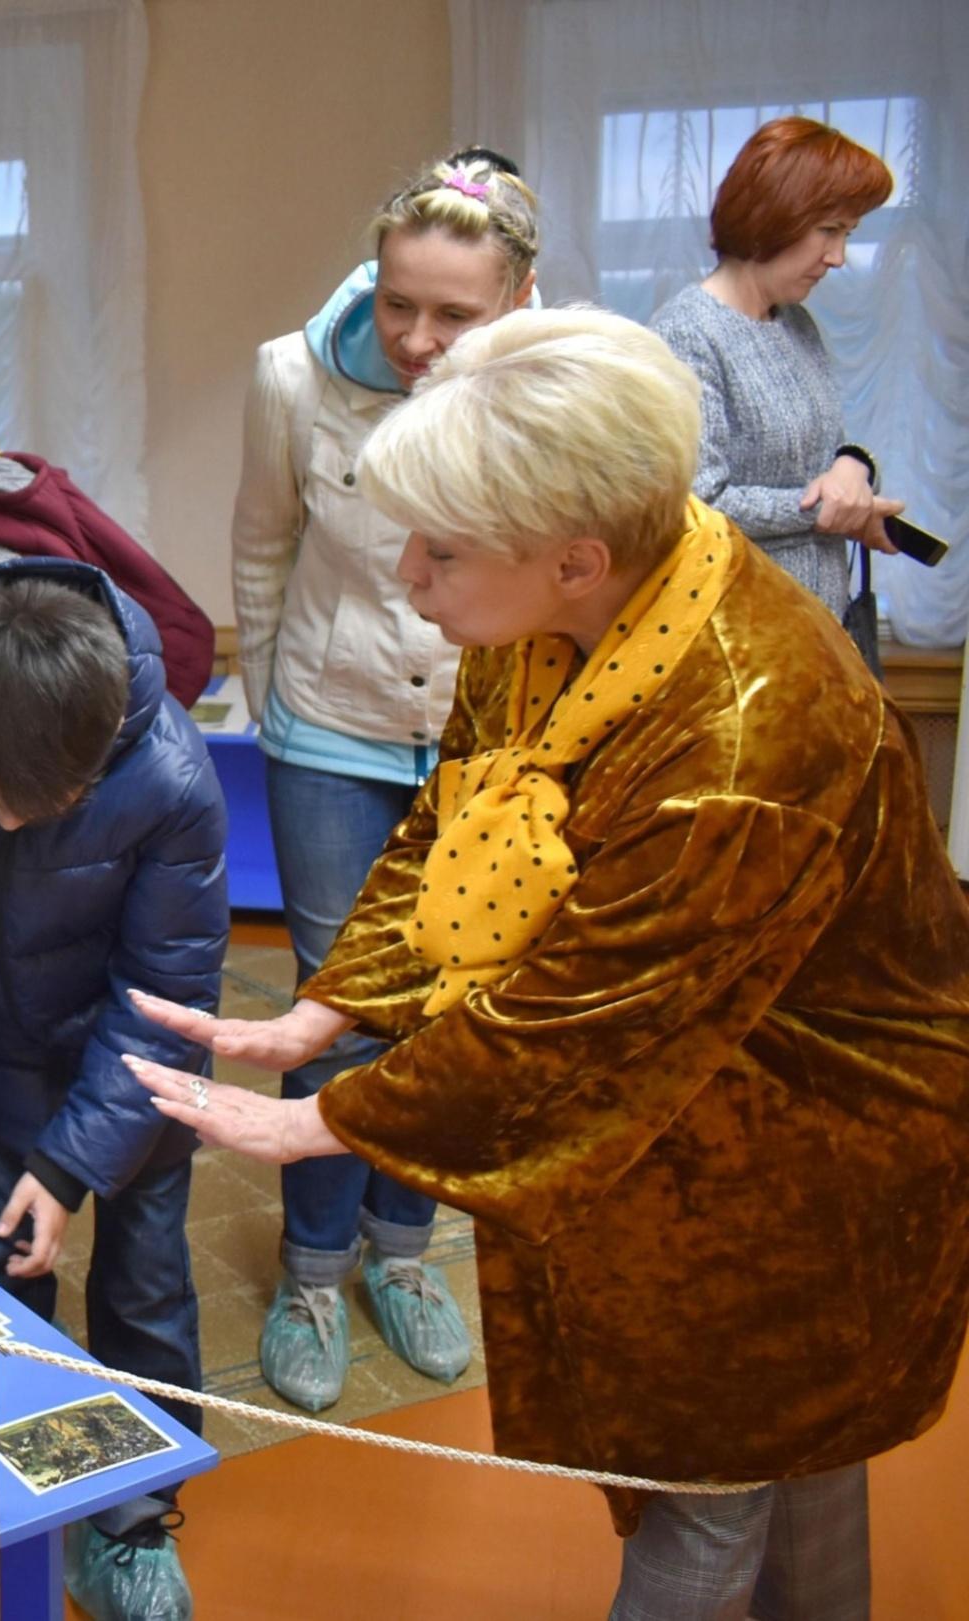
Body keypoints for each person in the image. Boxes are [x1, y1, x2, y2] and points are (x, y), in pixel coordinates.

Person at [130, 307, 969, 1621]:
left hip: (811, 1140)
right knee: (779, 1452)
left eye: (443, 549)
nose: (408, 573)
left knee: (718, 1467)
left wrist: (316, 1124)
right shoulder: (572, 613)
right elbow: (454, 822)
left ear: (577, 558)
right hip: (695, 1085)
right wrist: (327, 1011)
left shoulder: (746, 738)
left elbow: (576, 1022)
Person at [227, 149, 541, 1410]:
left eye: (453, 313)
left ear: (518, 298)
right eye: (397, 300)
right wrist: (278, 709)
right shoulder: (290, 376)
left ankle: (399, 1257)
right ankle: (311, 1269)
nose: (415, 337)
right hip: (327, 735)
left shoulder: (544, 388)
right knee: (336, 1008)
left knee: (449, 1006)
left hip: (478, 747)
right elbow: (260, 548)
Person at [0, 559, 228, 1621]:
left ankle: (132, 1521)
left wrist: (72, 1166)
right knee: (0, 1284)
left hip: (141, 1076)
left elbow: (160, 998)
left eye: (49, 805)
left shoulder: (170, 775)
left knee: (145, 1287)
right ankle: (12, 1509)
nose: (14, 824)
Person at [650, 116, 902, 621]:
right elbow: (696, 504)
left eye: (848, 233)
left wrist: (854, 466)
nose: (837, 256)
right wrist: (830, 511)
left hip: (813, 628)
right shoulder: (686, 333)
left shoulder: (796, 323)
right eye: (828, 231)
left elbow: (820, 453)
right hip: (739, 635)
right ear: (773, 215)